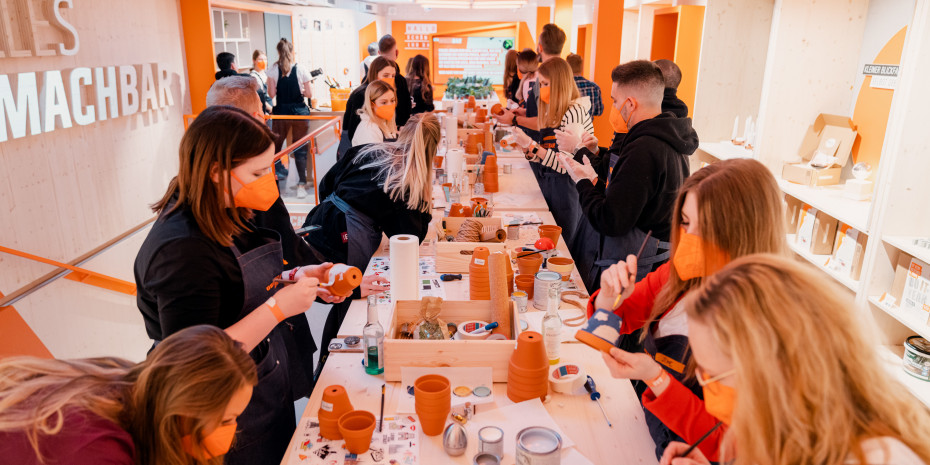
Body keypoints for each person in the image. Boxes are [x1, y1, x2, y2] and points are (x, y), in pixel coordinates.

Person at [134, 105, 344, 464]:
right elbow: (195, 359)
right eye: (259, 171)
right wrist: (279, 308)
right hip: (218, 411)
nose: (271, 180)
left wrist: (296, 276)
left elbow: (246, 281)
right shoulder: (180, 249)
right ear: (216, 171)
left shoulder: (230, 207)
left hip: (261, 383)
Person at [587, 159, 788, 461]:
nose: (689, 238)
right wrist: (608, 298)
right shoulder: (677, 278)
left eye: (706, 227)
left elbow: (729, 445)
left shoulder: (765, 324)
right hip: (650, 429)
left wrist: (657, 380)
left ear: (746, 232)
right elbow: (608, 327)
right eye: (685, 222)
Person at [662, 255, 930, 465]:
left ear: (770, 371)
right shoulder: (789, 433)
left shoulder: (879, 458)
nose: (704, 386)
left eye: (710, 375)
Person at [0, 325, 256, 464]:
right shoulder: (97, 450)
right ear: (181, 408)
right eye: (225, 420)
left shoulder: (134, 383)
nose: (233, 430)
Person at [303, 113, 439, 363]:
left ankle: (326, 362)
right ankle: (331, 364)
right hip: (345, 236)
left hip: (320, 220)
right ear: (433, 148)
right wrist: (425, 208)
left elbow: (326, 184)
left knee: (341, 292)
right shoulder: (404, 181)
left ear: (402, 131)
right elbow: (407, 239)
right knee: (348, 298)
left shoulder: (368, 151)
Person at [558, 60, 698, 290]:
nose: (613, 106)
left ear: (630, 104)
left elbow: (611, 220)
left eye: (614, 100)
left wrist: (582, 180)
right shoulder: (665, 135)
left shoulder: (644, 149)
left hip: (631, 272)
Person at [508, 57, 592, 251]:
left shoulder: (574, 112)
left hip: (566, 190)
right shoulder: (555, 111)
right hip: (550, 184)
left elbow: (565, 165)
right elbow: (550, 153)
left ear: (560, 83)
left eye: (545, 84)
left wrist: (531, 145)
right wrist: (529, 150)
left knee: (561, 247)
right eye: (540, 84)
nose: (542, 89)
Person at [493, 24, 566, 139]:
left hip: (546, 147)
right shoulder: (564, 73)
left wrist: (514, 119)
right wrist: (525, 112)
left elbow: (546, 121)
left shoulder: (546, 77)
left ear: (540, 48)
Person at [267, 38, 313, 199]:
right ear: (292, 52)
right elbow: (309, 94)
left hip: (281, 112)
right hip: (299, 111)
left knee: (277, 149)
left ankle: (275, 185)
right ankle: (301, 185)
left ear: (278, 52)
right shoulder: (301, 68)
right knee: (300, 148)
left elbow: (271, 94)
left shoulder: (273, 69)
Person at [337, 57, 397, 160]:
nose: (390, 79)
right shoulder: (362, 95)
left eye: (393, 76)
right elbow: (354, 129)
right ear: (375, 74)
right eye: (386, 75)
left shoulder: (385, 93)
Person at [376, 35, 412, 127]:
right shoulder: (400, 81)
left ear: (379, 53)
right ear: (396, 53)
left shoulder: (368, 79)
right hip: (395, 132)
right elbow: (406, 113)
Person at [352, 80, 399, 147]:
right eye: (384, 102)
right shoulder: (368, 129)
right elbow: (373, 156)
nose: (390, 105)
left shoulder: (385, 122)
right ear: (371, 104)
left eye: (392, 100)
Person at [250, 50, 273, 115]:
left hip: (271, 107)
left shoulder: (266, 74)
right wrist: (270, 109)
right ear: (254, 61)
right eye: (260, 59)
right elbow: (258, 97)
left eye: (265, 59)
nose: (263, 62)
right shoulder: (253, 76)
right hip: (264, 110)